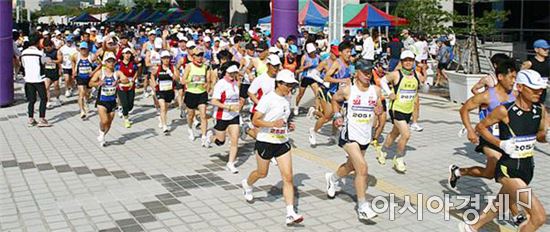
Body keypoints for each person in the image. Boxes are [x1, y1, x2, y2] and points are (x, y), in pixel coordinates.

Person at [461, 69, 548, 232]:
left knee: (499, 206)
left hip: (527, 168)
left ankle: (471, 227)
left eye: (541, 89)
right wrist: (500, 144)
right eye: (534, 89)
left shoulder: (540, 110)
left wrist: (546, 136)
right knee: (538, 217)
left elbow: (541, 136)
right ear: (521, 87)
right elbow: (481, 127)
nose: (539, 92)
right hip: (508, 169)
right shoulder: (504, 110)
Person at [241, 69, 304, 226]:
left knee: (288, 177)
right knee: (262, 173)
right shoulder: (268, 99)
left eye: (292, 85)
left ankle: (290, 213)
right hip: (265, 141)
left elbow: (281, 118)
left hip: (282, 142)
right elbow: (256, 120)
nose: (291, 88)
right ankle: (247, 184)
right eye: (289, 85)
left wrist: (288, 125)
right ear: (280, 84)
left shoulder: (286, 99)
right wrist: (272, 124)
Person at [325, 61, 384, 221]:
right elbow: (335, 100)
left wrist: (379, 113)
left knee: (351, 166)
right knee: (362, 169)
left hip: (365, 135)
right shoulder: (348, 90)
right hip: (349, 135)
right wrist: (337, 116)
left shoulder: (376, 90)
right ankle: (362, 206)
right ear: (356, 72)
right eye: (364, 72)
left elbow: (379, 110)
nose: (367, 75)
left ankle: (333, 178)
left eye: (369, 72)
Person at [378, 50, 425, 173]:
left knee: (394, 133)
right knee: (406, 134)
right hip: (396, 109)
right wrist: (389, 93)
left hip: (408, 110)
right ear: (402, 61)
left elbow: (420, 89)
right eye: (406, 60)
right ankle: (399, 158)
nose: (408, 62)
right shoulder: (396, 74)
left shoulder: (417, 75)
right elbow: (382, 81)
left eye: (411, 60)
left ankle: (382, 151)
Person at [309, 41, 353, 146]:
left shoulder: (350, 63)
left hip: (343, 95)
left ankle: (334, 135)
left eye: (350, 52)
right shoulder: (337, 63)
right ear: (341, 52)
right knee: (327, 117)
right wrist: (341, 81)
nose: (349, 54)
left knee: (338, 115)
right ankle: (313, 131)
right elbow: (326, 77)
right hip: (332, 94)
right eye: (347, 52)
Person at [205, 62, 242, 173]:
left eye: (234, 73)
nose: (232, 75)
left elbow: (237, 98)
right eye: (230, 73)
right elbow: (214, 101)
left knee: (235, 139)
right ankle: (211, 136)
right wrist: (228, 106)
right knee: (221, 141)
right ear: (225, 72)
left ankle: (230, 163)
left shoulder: (236, 82)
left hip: (234, 116)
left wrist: (238, 105)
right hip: (222, 115)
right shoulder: (220, 84)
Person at [182, 47, 212, 144]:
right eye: (198, 55)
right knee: (191, 115)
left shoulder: (205, 67)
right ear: (193, 56)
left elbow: (208, 80)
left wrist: (207, 84)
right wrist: (192, 80)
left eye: (201, 55)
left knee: (203, 115)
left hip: (202, 93)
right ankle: (190, 128)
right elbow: (183, 80)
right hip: (191, 93)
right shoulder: (189, 66)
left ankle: (204, 137)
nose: (200, 57)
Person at [89, 53, 119, 146]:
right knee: (104, 120)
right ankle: (101, 133)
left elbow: (126, 80)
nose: (111, 63)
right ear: (105, 62)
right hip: (102, 101)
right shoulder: (100, 73)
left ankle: (102, 135)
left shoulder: (117, 73)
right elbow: (90, 83)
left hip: (112, 101)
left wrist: (118, 81)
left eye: (113, 61)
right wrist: (98, 83)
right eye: (109, 61)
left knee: (109, 123)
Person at [21, 34, 50, 127]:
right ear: (38, 42)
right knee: (43, 98)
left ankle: (30, 118)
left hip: (28, 79)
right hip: (38, 78)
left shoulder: (24, 52)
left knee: (31, 100)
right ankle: (41, 119)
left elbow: (23, 65)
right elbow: (44, 62)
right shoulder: (39, 53)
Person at [153, 51, 179, 134]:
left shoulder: (172, 68)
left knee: (165, 108)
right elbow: (152, 75)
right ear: (161, 59)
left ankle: (161, 118)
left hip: (169, 91)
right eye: (164, 58)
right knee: (163, 106)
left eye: (167, 58)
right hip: (160, 91)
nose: (166, 60)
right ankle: (165, 126)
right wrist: (154, 83)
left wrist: (171, 74)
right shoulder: (158, 68)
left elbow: (177, 79)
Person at [72, 41, 97, 119]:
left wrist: (93, 72)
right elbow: (72, 61)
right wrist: (74, 70)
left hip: (88, 77)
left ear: (87, 49)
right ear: (79, 49)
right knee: (81, 93)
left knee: (87, 93)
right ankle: (82, 111)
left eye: (84, 49)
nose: (83, 50)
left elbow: (100, 65)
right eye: (82, 49)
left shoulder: (92, 56)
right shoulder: (76, 56)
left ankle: (86, 101)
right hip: (80, 77)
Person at [294, 43, 320, 116]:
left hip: (314, 78)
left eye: (313, 52)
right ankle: (296, 106)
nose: (312, 53)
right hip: (305, 77)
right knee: (300, 94)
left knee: (317, 94)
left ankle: (317, 109)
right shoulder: (305, 57)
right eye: (311, 52)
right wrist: (306, 66)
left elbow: (320, 66)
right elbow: (300, 69)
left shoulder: (317, 57)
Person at [116, 48, 139, 128]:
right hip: (121, 86)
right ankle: (126, 119)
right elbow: (115, 73)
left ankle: (125, 111)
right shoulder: (118, 64)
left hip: (131, 85)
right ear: (122, 55)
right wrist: (118, 80)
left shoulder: (133, 64)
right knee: (125, 103)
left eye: (129, 53)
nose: (127, 55)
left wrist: (133, 79)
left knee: (130, 104)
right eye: (126, 53)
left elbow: (136, 71)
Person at [42, 39, 63, 108]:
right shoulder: (43, 51)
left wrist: (52, 61)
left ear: (51, 46)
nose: (46, 49)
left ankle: (58, 99)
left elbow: (60, 60)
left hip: (55, 71)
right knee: (46, 87)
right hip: (47, 72)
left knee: (56, 86)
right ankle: (48, 102)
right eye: (45, 47)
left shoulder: (57, 51)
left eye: (48, 47)